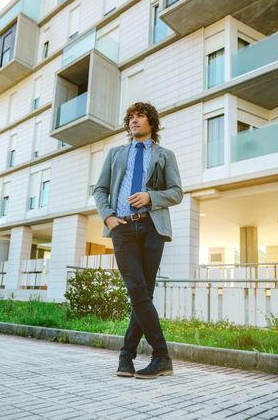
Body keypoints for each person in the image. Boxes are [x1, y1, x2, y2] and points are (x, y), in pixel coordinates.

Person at [93, 102, 183, 379]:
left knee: (144, 294)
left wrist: (151, 197)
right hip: (122, 228)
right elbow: (100, 189)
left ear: (151, 123)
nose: (134, 121)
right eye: (130, 117)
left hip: (151, 228)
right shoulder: (116, 153)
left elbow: (177, 192)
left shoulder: (165, 155)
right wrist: (108, 217)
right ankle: (160, 356)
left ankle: (127, 356)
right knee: (137, 289)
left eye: (140, 116)